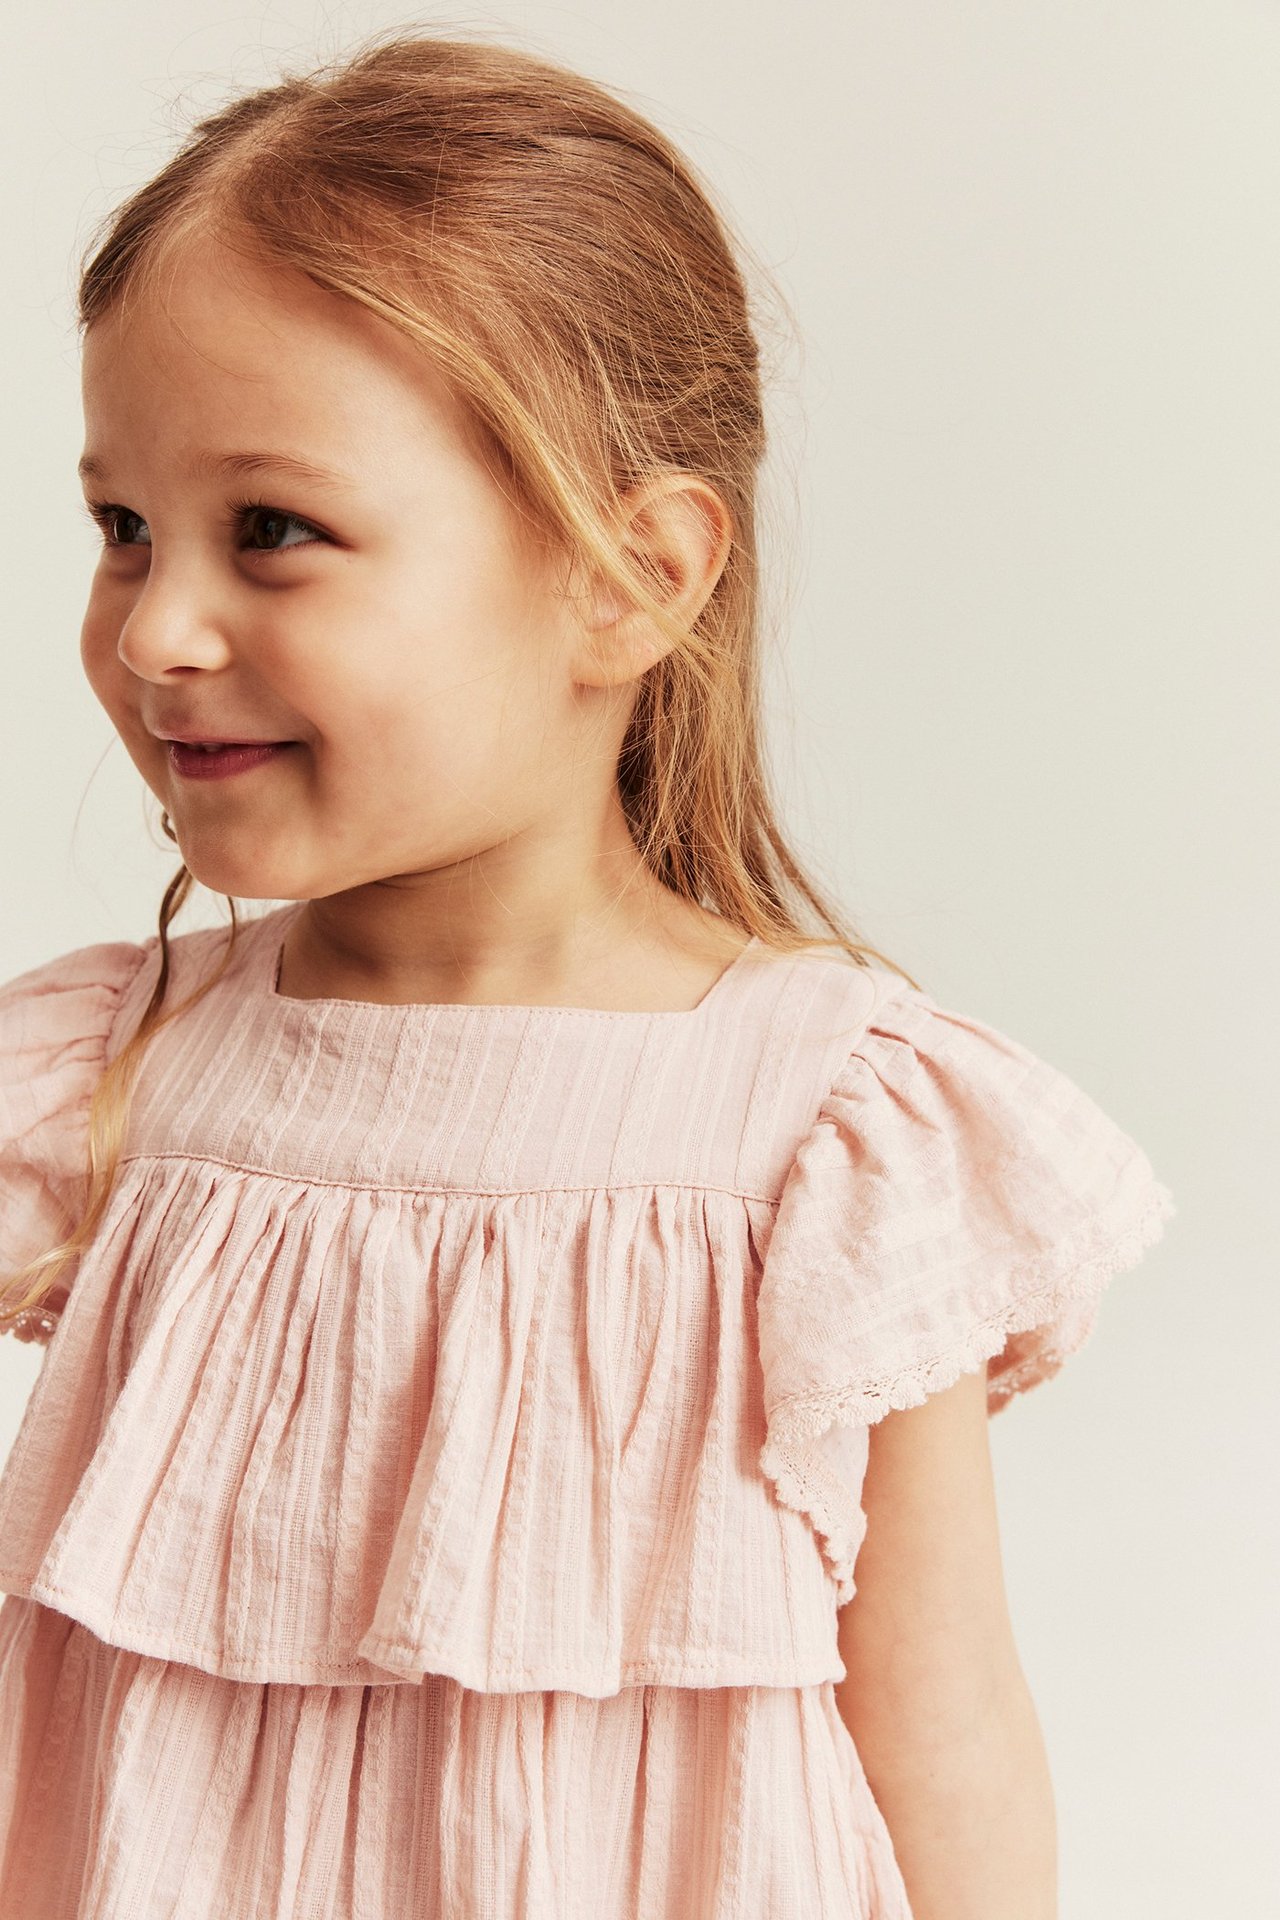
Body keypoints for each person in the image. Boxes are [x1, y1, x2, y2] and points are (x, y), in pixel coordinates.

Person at [0, 28, 1175, 1920]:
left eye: (273, 532)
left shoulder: (838, 1137)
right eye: (121, 527)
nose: (161, 627)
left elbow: (948, 1752)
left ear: (630, 580)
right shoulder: (103, 1074)